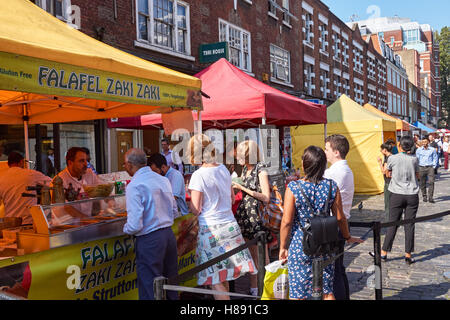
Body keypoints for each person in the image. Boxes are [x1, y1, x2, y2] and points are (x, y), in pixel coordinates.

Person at [279, 146, 363, 300]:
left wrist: (283, 246)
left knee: (298, 293)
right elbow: (340, 217)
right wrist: (347, 236)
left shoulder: (294, 188)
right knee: (327, 291)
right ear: (324, 165)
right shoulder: (331, 186)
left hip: (301, 244)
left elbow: (286, 221)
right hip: (325, 243)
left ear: (304, 165)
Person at [188, 134, 256, 300]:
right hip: (230, 226)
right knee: (223, 276)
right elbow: (232, 198)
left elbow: (196, 209)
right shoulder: (223, 169)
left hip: (211, 229)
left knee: (215, 279)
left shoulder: (198, 175)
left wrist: (188, 204)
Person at [122, 148, 178, 300]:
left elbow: (134, 225)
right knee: (171, 283)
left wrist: (125, 228)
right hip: (168, 235)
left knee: (150, 287)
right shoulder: (163, 179)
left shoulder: (134, 185)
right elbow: (174, 210)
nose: (124, 167)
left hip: (150, 239)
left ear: (129, 164)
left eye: (124, 164)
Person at [371, 136, 420, 265]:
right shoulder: (415, 159)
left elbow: (387, 173)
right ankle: (408, 254)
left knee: (392, 223)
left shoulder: (393, 158)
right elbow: (417, 175)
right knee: (409, 225)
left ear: (400, 146)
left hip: (397, 193)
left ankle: (384, 252)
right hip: (411, 194)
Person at [232, 140, 271, 297]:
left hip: (257, 218)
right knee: (251, 256)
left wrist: (242, 188)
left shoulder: (260, 169)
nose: (238, 157)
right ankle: (254, 289)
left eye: (241, 155)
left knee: (263, 257)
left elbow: (266, 197)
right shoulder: (245, 170)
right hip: (245, 216)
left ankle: (268, 289)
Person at [323, 134, 354, 300]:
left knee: (333, 271)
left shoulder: (336, 172)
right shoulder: (340, 170)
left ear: (336, 152)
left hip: (333, 224)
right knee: (338, 269)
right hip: (337, 223)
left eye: (327, 149)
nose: (325, 152)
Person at [0, 152, 51, 224]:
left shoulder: (1, 177)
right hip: (29, 222)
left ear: (8, 164)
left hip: (10, 224)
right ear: (21, 162)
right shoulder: (30, 174)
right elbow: (53, 183)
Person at [51, 147, 103, 217]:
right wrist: (86, 219)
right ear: (70, 163)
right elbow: (67, 207)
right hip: (68, 224)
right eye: (81, 161)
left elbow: (101, 190)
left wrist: (109, 203)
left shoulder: (90, 173)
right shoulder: (59, 181)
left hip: (87, 222)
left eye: (86, 160)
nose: (86, 164)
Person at [416, 139, 438, 203]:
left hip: (430, 167)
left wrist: (434, 166)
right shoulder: (419, 150)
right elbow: (417, 159)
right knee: (422, 183)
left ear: (428, 142)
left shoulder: (432, 149)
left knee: (431, 182)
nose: (424, 143)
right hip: (421, 168)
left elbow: (435, 157)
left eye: (425, 142)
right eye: (423, 142)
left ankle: (430, 197)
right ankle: (424, 196)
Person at [377, 142, 394, 222]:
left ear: (385, 150)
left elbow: (384, 171)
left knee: (388, 203)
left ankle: (388, 220)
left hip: (388, 183)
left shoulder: (388, 158)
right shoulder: (394, 157)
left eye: (381, 149)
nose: (380, 151)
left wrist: (380, 162)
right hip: (394, 182)